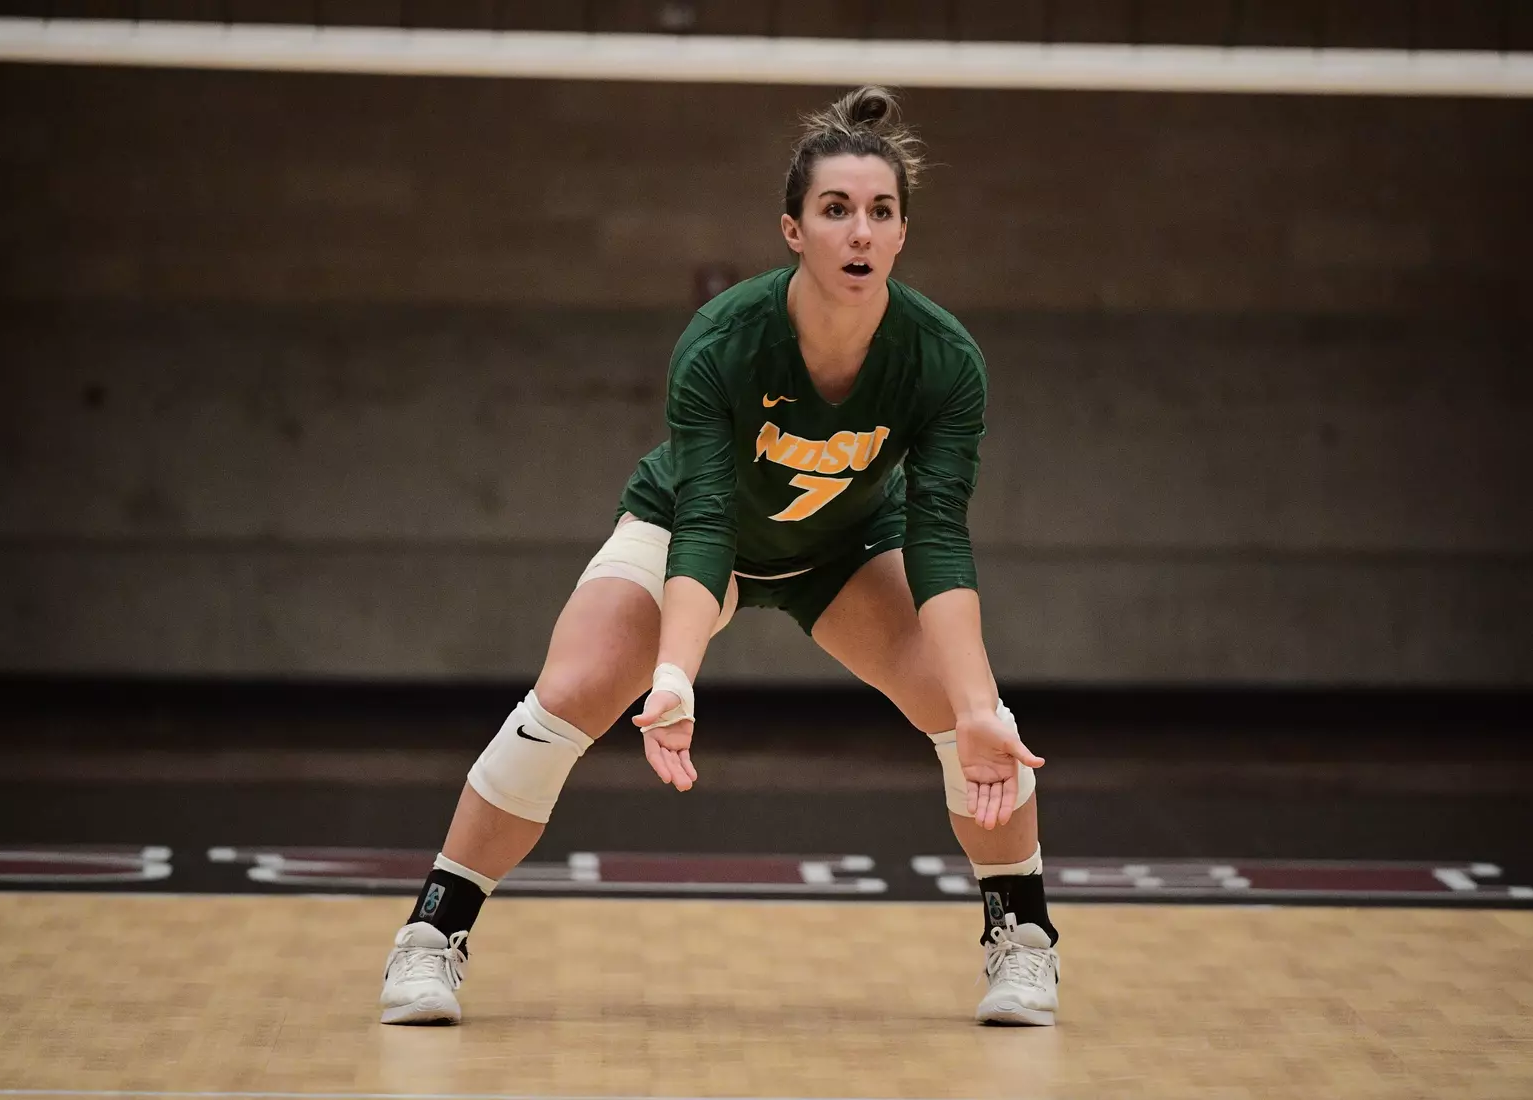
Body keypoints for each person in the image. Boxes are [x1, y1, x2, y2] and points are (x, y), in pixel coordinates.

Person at [379, 85, 1061, 1027]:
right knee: (571, 692)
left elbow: (938, 536)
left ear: (902, 234)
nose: (858, 231)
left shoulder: (943, 359)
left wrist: (979, 704)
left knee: (977, 717)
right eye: (835, 210)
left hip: (843, 545)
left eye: (880, 211)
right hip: (691, 531)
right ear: (793, 230)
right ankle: (431, 935)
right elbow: (705, 524)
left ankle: (1023, 942)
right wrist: (673, 675)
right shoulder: (726, 342)